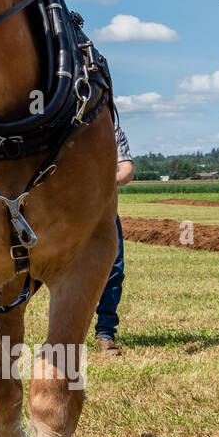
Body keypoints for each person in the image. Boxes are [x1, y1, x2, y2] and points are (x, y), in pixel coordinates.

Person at [95, 123, 133, 355]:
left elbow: (126, 170)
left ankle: (105, 332)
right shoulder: (61, 122)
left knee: (114, 269)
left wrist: (105, 184)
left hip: (103, 209)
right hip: (61, 210)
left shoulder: (114, 130)